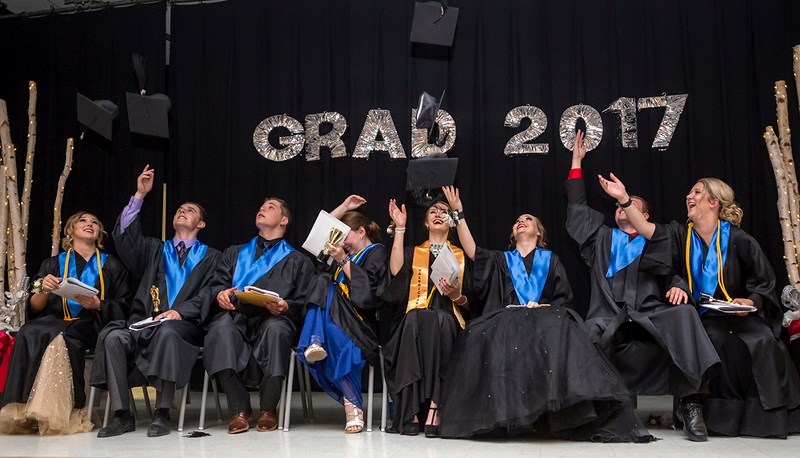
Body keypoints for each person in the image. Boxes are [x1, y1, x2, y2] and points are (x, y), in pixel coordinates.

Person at [439, 187, 654, 442]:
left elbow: (564, 298)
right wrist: (459, 213)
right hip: (508, 318)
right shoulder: (501, 259)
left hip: (545, 317)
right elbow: (473, 251)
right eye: (518, 220)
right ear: (512, 233)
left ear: (538, 232)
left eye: (528, 219)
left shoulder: (551, 260)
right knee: (487, 334)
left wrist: (548, 308)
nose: (521, 221)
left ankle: (552, 417)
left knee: (561, 326)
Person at [599, 173, 800, 438]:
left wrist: (749, 301)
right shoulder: (681, 236)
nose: (688, 197)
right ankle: (702, 411)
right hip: (704, 317)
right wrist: (624, 199)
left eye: (696, 193)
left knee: (760, 340)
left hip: (742, 315)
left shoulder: (740, 239)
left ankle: (763, 420)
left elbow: (763, 281)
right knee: (712, 339)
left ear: (714, 202)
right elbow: (648, 230)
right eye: (690, 193)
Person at [565, 130, 720, 442]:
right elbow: (578, 206)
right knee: (585, 331)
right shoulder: (602, 239)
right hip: (609, 315)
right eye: (621, 207)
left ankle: (691, 403)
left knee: (685, 314)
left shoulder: (657, 240)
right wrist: (576, 162)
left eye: (632, 207)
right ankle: (590, 412)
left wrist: (680, 288)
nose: (624, 210)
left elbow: (675, 273)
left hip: (651, 314)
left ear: (644, 216)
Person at [92, 165, 221, 438]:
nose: (182, 212)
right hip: (144, 321)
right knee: (113, 337)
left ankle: (162, 412)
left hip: (184, 326)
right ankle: (122, 414)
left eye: (190, 211)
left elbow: (211, 292)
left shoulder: (212, 257)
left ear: (201, 224)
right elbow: (125, 238)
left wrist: (181, 312)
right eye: (179, 210)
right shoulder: (154, 249)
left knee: (168, 331)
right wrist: (139, 194)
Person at [0, 212, 130, 435]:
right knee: (29, 331)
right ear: (70, 230)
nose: (89, 224)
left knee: (64, 337)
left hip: (92, 323)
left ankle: (64, 412)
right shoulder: (53, 263)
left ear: (100, 234)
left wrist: (98, 304)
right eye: (83, 221)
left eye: (95, 223)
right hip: (56, 319)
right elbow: (36, 306)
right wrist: (44, 288)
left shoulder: (112, 265)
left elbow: (125, 305)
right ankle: (25, 409)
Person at [203, 197, 313, 434]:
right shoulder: (235, 253)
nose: (262, 208)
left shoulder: (297, 260)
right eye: (261, 206)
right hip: (236, 317)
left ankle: (268, 409)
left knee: (277, 330)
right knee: (220, 329)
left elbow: (305, 301)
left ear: (284, 220)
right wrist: (219, 294)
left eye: (270, 207)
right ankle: (240, 408)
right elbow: (216, 284)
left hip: (273, 318)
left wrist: (286, 306)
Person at [296, 195, 389, 433]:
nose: (341, 243)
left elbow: (368, 296)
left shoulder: (376, 253)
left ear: (360, 231)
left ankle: (315, 340)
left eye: (344, 236)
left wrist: (343, 260)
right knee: (321, 279)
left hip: (359, 322)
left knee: (340, 337)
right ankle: (353, 406)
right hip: (331, 319)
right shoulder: (337, 256)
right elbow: (316, 239)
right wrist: (344, 207)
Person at [380, 197, 470, 437]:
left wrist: (457, 295)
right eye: (432, 211)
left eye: (443, 211)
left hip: (450, 319)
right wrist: (400, 228)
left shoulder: (460, 256)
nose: (438, 213)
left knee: (442, 319)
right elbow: (396, 273)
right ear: (426, 223)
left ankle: (436, 405)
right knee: (416, 319)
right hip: (413, 319)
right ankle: (411, 409)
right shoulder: (413, 252)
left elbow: (471, 301)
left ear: (451, 223)